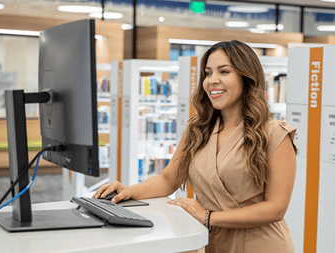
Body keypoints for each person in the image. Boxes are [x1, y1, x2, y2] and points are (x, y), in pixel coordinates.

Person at [93, 40, 297, 253]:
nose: (212, 81)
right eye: (208, 73)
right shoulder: (198, 128)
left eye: (224, 72)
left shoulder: (274, 133)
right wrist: (128, 191)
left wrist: (208, 216)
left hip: (260, 244)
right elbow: (168, 179)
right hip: (211, 240)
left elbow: (276, 208)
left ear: (246, 78)